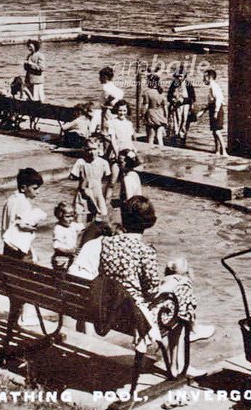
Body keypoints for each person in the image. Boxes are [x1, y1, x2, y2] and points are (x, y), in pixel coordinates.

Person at [98, 196, 209, 350]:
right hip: (133, 315)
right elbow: (151, 292)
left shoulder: (107, 242)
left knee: (176, 289)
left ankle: (183, 351)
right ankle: (178, 364)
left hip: (108, 308)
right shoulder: (146, 251)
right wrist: (173, 282)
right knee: (182, 290)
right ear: (148, 223)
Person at [1, 168, 45, 324]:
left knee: (15, 285)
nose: (37, 192)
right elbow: (22, 225)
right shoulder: (24, 204)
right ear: (23, 188)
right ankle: (24, 316)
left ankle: (16, 315)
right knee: (31, 282)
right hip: (19, 252)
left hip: (7, 250)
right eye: (34, 188)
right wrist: (37, 227)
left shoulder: (9, 200)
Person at [69, 138, 112, 221]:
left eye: (94, 149)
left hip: (97, 191)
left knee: (97, 215)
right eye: (89, 149)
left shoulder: (103, 162)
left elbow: (107, 179)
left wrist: (105, 194)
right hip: (83, 191)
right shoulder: (81, 161)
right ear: (85, 149)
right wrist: (81, 177)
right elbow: (72, 176)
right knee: (79, 214)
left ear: (99, 149)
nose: (92, 152)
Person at [104, 101, 136, 185]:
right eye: (120, 110)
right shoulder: (112, 122)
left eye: (124, 111)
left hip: (128, 152)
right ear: (116, 110)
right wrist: (116, 153)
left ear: (127, 111)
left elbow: (130, 140)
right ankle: (106, 198)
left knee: (125, 180)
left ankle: (124, 198)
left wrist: (133, 150)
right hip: (117, 151)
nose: (122, 113)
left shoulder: (129, 123)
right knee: (112, 181)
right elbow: (113, 140)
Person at [167, 67, 197, 145]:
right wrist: (172, 100)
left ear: (184, 76)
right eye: (178, 76)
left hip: (185, 106)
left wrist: (187, 102)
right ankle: (174, 136)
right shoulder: (174, 84)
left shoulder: (188, 84)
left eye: (181, 76)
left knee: (184, 121)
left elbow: (193, 97)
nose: (180, 78)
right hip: (176, 106)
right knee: (175, 121)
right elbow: (169, 96)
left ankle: (182, 137)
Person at [51, 201, 83, 270]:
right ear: (59, 216)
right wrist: (70, 251)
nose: (71, 219)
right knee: (61, 274)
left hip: (70, 256)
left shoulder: (72, 225)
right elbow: (57, 246)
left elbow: (83, 228)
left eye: (72, 216)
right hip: (61, 257)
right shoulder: (58, 229)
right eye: (67, 217)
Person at [203, 69, 226, 155]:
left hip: (217, 109)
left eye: (205, 77)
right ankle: (217, 150)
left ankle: (224, 151)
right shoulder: (211, 86)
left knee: (217, 131)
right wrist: (204, 110)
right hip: (213, 109)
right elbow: (211, 101)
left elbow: (219, 99)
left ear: (210, 77)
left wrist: (216, 112)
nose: (204, 79)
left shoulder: (214, 86)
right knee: (214, 131)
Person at [142, 74, 168, 145]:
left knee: (151, 138)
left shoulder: (147, 92)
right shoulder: (161, 92)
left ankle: (150, 154)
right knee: (159, 137)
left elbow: (146, 106)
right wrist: (166, 117)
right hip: (160, 114)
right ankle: (162, 152)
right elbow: (165, 107)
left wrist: (143, 115)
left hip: (151, 114)